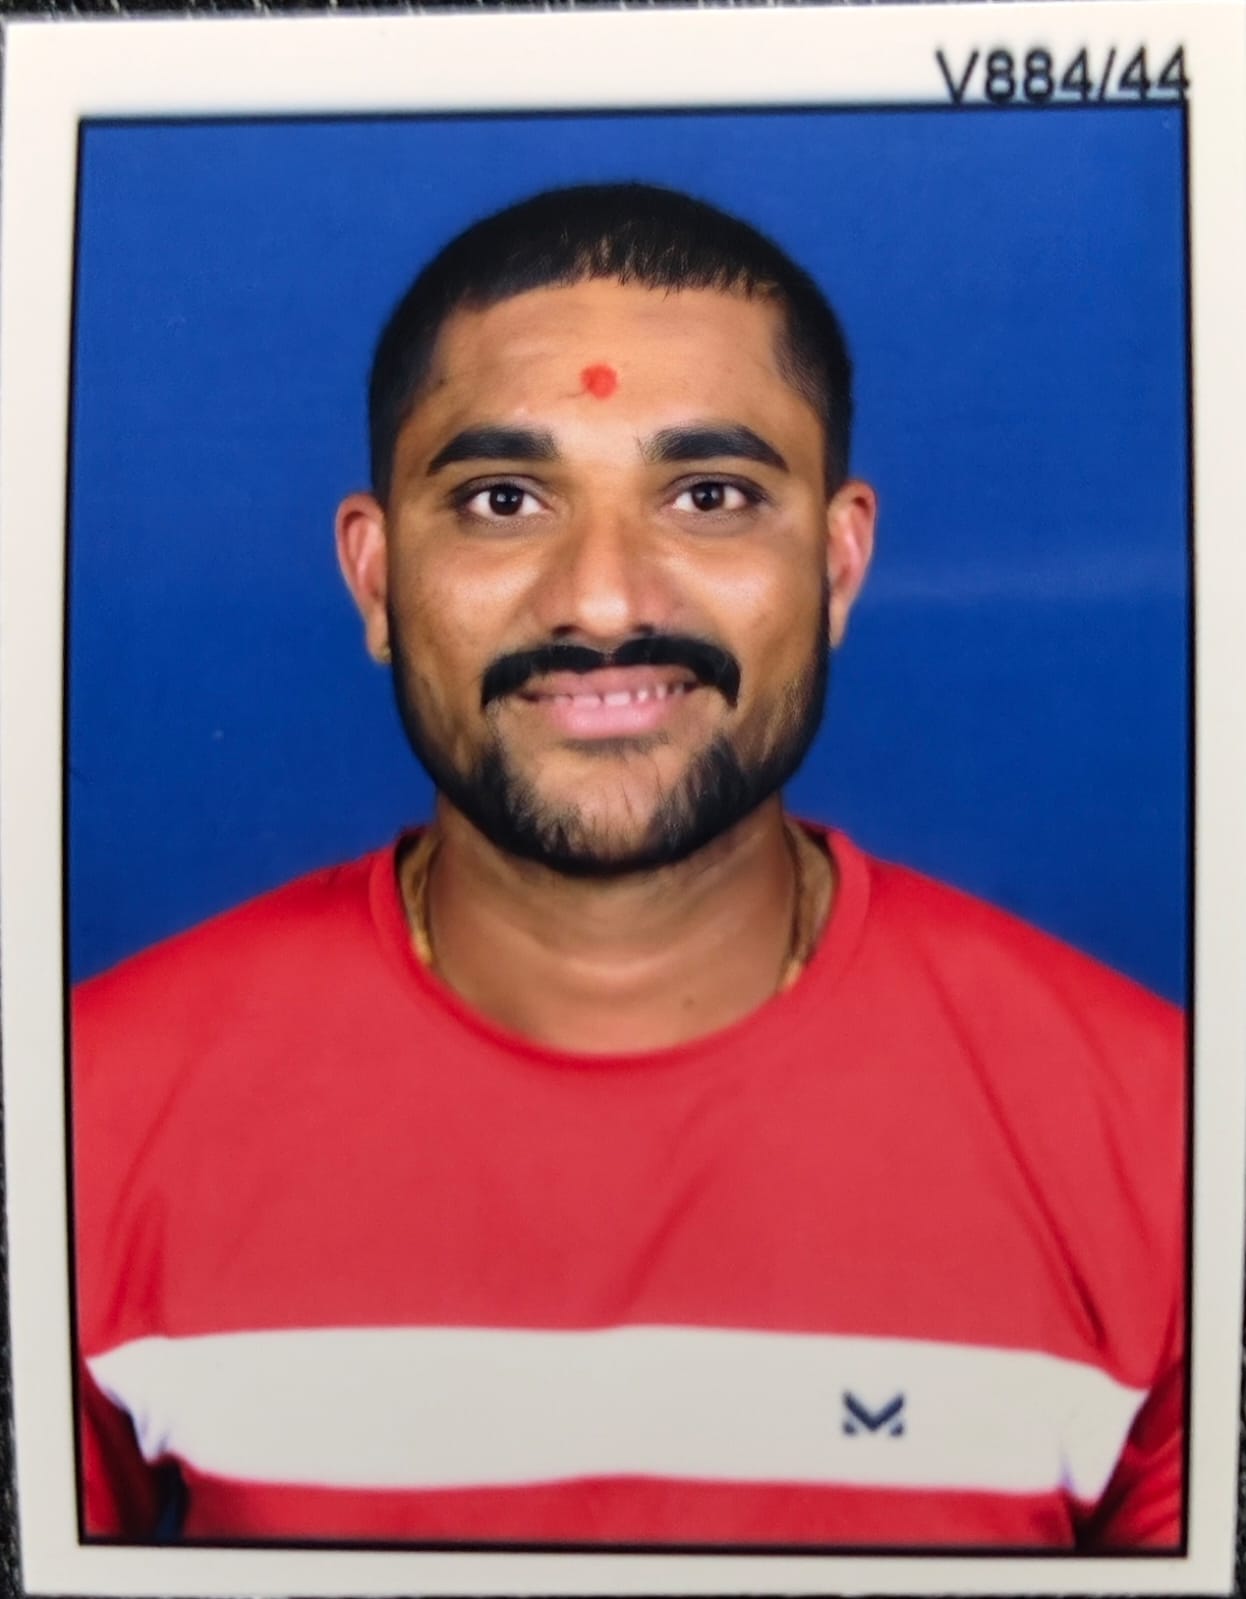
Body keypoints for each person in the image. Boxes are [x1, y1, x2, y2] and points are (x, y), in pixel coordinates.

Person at [73, 183, 1185, 1550]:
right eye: (502, 499)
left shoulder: (1164, 1141)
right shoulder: (83, 1119)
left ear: (838, 566)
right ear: (375, 578)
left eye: (709, 496)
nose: (603, 601)